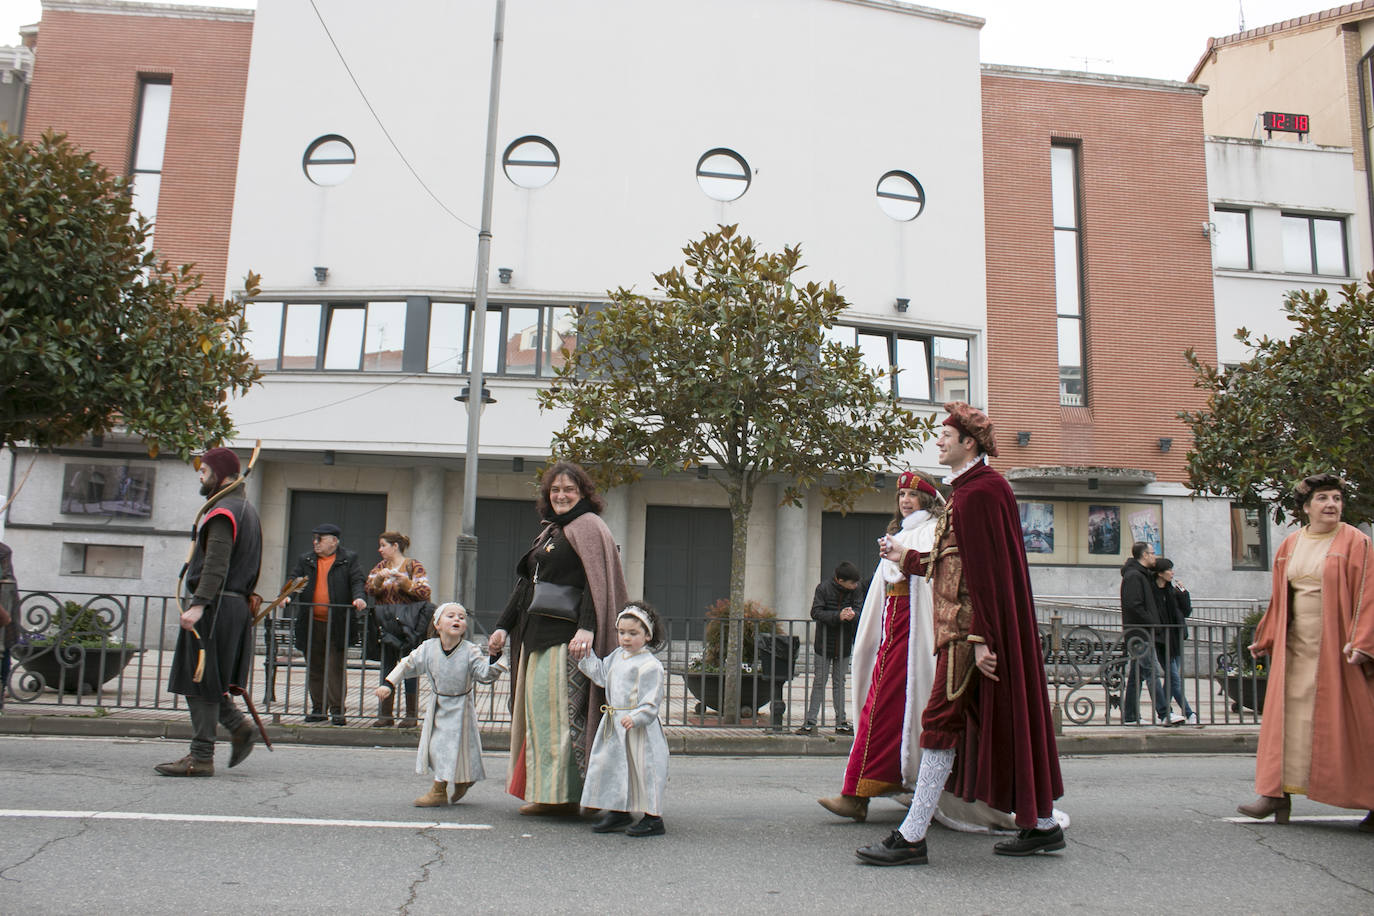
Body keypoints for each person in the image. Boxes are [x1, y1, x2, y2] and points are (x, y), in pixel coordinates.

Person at [857, 402, 1064, 865]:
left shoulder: (981, 493)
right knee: (1000, 724)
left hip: (970, 635)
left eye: (946, 436)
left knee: (939, 724)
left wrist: (985, 638)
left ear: (968, 442)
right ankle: (1043, 825)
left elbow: (988, 574)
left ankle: (911, 837)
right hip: (965, 631)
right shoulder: (968, 492)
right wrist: (902, 557)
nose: (939, 441)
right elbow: (952, 564)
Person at [488, 461, 629, 817]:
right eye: (555, 490)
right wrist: (503, 626)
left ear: (583, 493)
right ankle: (548, 793)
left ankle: (569, 794)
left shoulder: (591, 528)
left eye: (569, 489)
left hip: (568, 640)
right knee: (540, 717)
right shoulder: (551, 531)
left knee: (565, 718)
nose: (561, 495)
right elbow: (526, 585)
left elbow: (595, 584)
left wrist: (587, 627)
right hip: (536, 637)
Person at [1238, 474, 1374, 832]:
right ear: (1305, 507)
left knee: (1357, 725)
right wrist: (1266, 635)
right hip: (1296, 648)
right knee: (1289, 722)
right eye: (1323, 498)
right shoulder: (1290, 544)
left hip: (1340, 649)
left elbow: (1369, 595)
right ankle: (1276, 795)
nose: (1331, 504)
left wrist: (1363, 642)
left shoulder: (1355, 542)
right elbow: (1281, 598)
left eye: (1337, 498)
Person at [818, 472, 940, 821]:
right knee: (882, 713)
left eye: (913, 495)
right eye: (901, 494)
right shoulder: (901, 533)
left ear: (926, 500)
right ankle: (862, 792)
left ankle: (858, 795)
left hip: (913, 641)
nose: (905, 500)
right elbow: (884, 594)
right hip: (894, 637)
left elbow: (929, 583)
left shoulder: (931, 532)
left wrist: (903, 558)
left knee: (886, 712)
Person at [156, 447, 262, 777]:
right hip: (231, 606)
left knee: (198, 680)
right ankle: (237, 727)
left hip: (216, 606)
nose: (200, 476)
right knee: (209, 679)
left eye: (204, 471)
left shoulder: (223, 511)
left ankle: (201, 756)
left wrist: (199, 605)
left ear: (223, 476)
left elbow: (216, 564)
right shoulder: (247, 510)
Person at [376, 602, 502, 807]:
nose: (457, 620)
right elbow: (407, 663)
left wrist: (495, 657)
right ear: (437, 625)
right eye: (450, 616)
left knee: (450, 747)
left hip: (461, 706)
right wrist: (389, 683)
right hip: (438, 705)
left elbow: (484, 674)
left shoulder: (471, 651)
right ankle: (461, 780)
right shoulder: (428, 648)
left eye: (461, 617)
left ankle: (439, 790)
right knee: (437, 747)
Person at [578, 600, 669, 837]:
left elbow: (652, 700)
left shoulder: (650, 665)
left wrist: (637, 716)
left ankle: (653, 817)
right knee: (614, 766)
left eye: (633, 633)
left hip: (639, 729)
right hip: (614, 723)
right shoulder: (618, 656)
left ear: (647, 635)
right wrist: (586, 656)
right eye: (621, 632)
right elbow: (601, 675)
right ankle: (619, 809)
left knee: (643, 768)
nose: (626, 638)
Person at [285, 523, 367, 725]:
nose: (315, 543)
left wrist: (359, 598)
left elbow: (357, 581)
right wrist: (286, 596)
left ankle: (338, 710)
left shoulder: (348, 559)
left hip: (337, 622)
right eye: (314, 538)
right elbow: (294, 579)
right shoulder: (306, 559)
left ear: (334, 541)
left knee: (335, 667)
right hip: (311, 622)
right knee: (315, 665)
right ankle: (318, 708)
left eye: (320, 539)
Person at [365, 531, 432, 728]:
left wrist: (404, 582)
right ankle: (386, 714)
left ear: (395, 546)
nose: (380, 549)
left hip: (408, 624)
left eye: (383, 545)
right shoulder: (380, 567)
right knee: (387, 665)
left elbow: (424, 592)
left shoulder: (413, 565)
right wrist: (378, 580)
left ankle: (410, 715)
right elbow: (369, 589)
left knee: (409, 667)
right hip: (386, 623)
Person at [796, 561, 863, 736]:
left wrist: (853, 614)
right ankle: (810, 721)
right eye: (852, 583)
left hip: (844, 643)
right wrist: (837, 616)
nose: (855, 586)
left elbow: (860, 608)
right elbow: (816, 612)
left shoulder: (856, 590)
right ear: (840, 580)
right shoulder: (823, 588)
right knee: (820, 681)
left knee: (839, 682)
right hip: (824, 644)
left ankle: (841, 721)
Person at [1120, 541, 1178, 726]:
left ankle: (1130, 716)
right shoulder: (1134, 576)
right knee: (1151, 671)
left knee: (1137, 675)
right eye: (1152, 553)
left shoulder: (1141, 575)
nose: (1154, 556)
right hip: (1139, 632)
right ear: (1144, 555)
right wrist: (1152, 622)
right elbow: (1133, 604)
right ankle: (1164, 713)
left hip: (1141, 631)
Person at [1152, 558, 1196, 726]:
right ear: (1160, 573)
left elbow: (1186, 611)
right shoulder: (1154, 593)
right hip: (1163, 640)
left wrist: (1185, 594)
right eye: (1169, 570)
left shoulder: (1174, 591)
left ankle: (1163, 712)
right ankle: (1189, 713)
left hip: (1176, 638)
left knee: (1171, 679)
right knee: (1174, 678)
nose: (1172, 573)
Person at [0, 541, 18, 713]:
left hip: (3, 608)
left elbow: (7, 581)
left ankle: (1, 688)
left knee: (3, 650)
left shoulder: (2, 551)